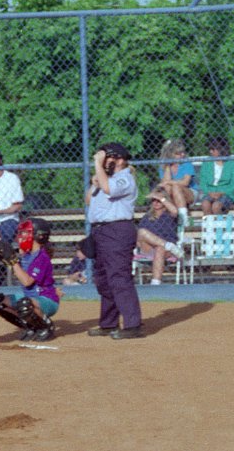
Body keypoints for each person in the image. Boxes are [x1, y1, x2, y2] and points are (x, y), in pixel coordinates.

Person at [85, 142, 143, 340]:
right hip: (100, 232)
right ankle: (108, 323)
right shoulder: (105, 178)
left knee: (119, 277)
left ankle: (132, 324)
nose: (103, 161)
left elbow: (110, 189)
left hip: (117, 231)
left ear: (118, 159)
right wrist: (95, 181)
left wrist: (98, 167)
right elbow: (88, 200)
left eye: (106, 157)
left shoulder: (125, 178)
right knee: (103, 279)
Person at [0, 218, 60, 342]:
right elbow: (18, 271)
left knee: (24, 304)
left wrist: (13, 262)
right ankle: (30, 326)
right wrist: (6, 259)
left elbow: (27, 281)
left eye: (25, 233)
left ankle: (46, 326)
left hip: (47, 300)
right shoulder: (27, 254)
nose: (21, 236)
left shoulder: (42, 257)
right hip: (30, 297)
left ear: (39, 236)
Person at [136, 187, 184, 285]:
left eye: (159, 201)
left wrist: (161, 198)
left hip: (165, 251)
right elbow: (140, 237)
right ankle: (168, 245)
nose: (156, 203)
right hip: (149, 248)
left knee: (160, 248)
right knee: (141, 232)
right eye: (153, 200)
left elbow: (175, 211)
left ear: (165, 201)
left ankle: (155, 283)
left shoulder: (169, 215)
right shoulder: (147, 217)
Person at [158, 139, 198, 226]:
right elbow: (165, 185)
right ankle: (169, 217)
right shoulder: (163, 165)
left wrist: (170, 182)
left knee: (175, 186)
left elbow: (185, 182)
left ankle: (183, 219)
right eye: (178, 154)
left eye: (183, 152)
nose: (182, 155)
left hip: (189, 192)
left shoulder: (186, 163)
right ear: (170, 155)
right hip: (172, 193)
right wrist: (168, 166)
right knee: (168, 187)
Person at [199, 136, 234, 215]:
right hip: (210, 192)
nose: (211, 152)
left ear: (221, 149)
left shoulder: (232, 163)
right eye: (210, 149)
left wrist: (221, 193)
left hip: (226, 193)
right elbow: (203, 182)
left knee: (216, 206)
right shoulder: (207, 163)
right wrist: (209, 192)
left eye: (213, 149)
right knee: (205, 204)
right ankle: (210, 226)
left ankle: (219, 226)